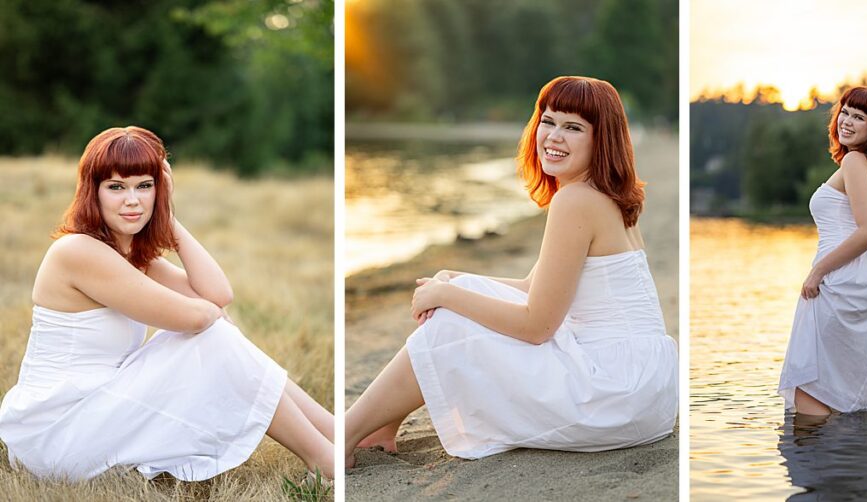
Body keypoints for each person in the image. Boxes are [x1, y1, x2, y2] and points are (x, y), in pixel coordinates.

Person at [344, 76, 679, 468]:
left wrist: (446, 297)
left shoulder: (575, 201)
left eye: (573, 127)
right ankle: (382, 427)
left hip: (611, 393)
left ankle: (348, 433)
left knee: (451, 319)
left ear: (601, 140)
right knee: (462, 292)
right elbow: (531, 288)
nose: (554, 136)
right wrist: (454, 280)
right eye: (548, 121)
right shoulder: (609, 196)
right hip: (644, 391)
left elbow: (537, 325)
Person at [0, 126, 334, 481]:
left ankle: (333, 433)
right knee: (214, 335)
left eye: (145, 186)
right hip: (57, 433)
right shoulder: (77, 252)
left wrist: (167, 217)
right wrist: (213, 318)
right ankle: (325, 460)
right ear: (92, 192)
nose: (133, 200)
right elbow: (198, 316)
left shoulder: (132, 255)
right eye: (116, 187)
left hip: (97, 409)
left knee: (215, 330)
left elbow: (219, 294)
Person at [778, 86, 867, 416]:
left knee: (812, 389)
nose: (847, 121)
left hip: (841, 278)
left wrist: (818, 271)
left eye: (859, 117)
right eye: (845, 111)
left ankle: (818, 462)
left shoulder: (856, 162)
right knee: (842, 390)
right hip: (864, 276)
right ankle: (848, 457)